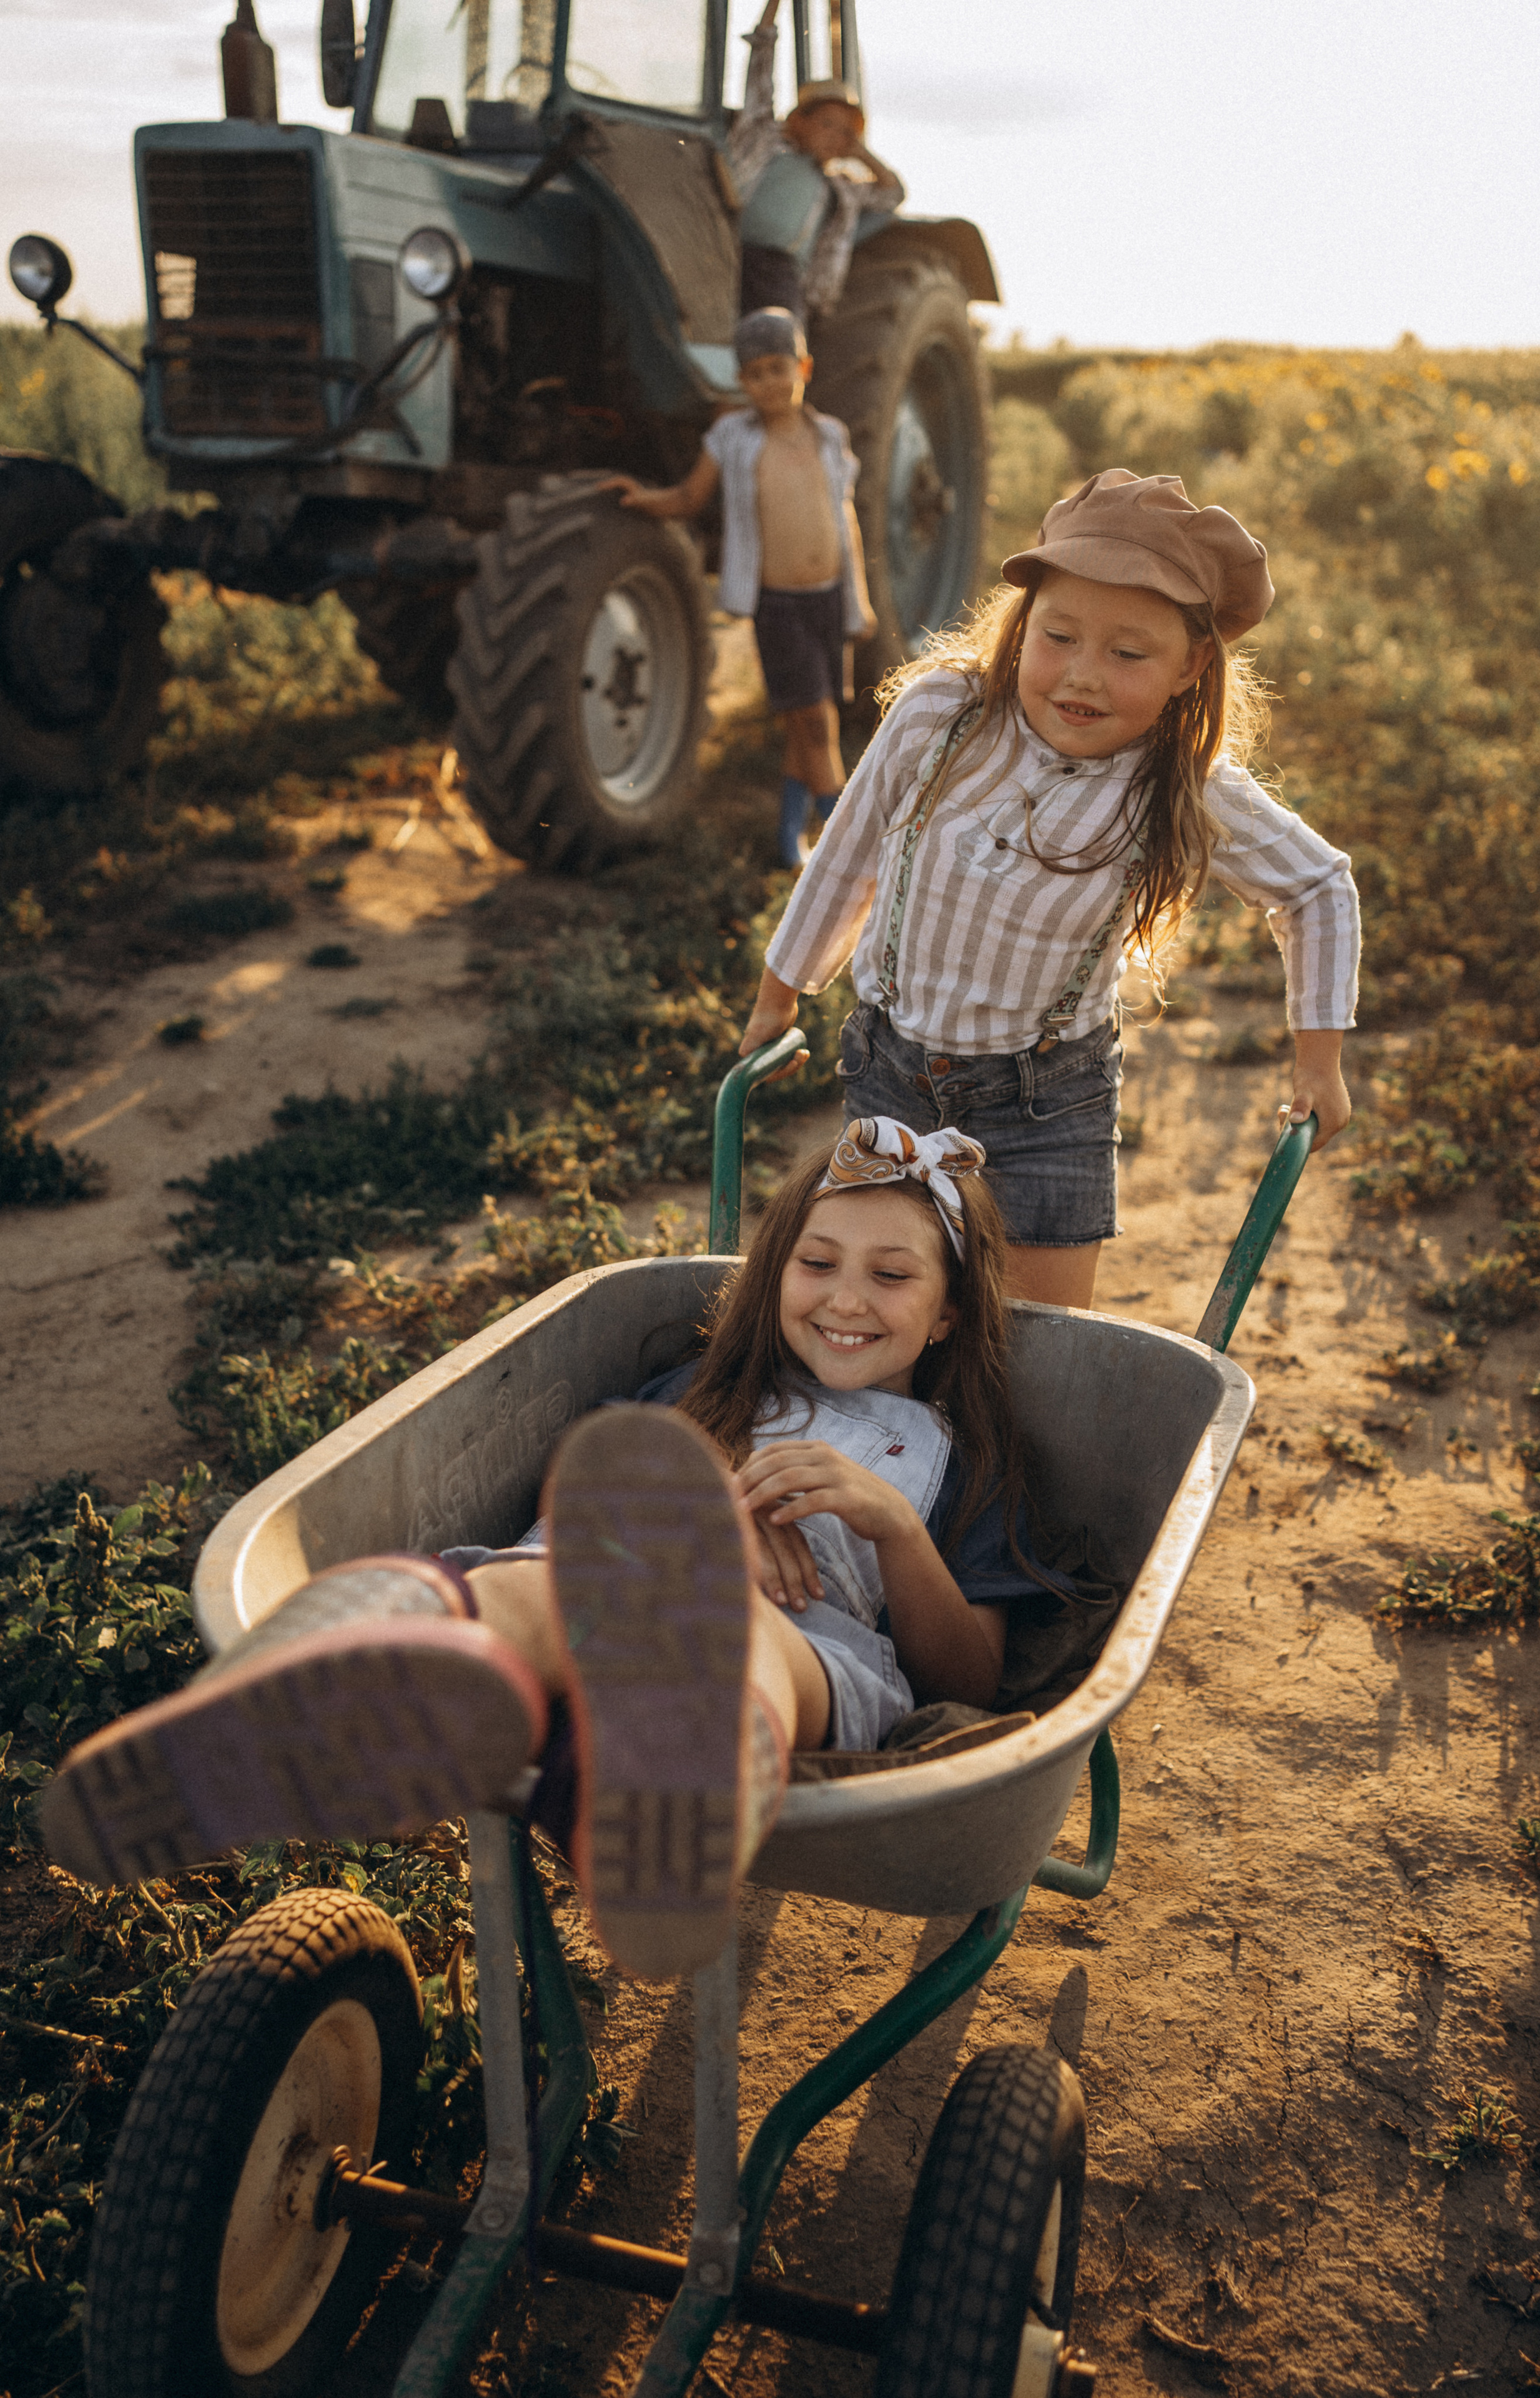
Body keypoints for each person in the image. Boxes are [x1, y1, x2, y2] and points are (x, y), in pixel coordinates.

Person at [41, 1120, 1103, 1983]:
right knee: (534, 1589)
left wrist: (892, 1523)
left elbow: (967, 1676)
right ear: (776, 1271)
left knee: (727, 1638)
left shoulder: (965, 1464)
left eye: (891, 1276)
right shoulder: (698, 1394)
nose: (847, 1298)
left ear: (952, 1313)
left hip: (797, 1641)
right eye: (817, 1262)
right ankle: (357, 1677)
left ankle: (671, 1803)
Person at [737, 467, 1363, 1311]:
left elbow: (1318, 886)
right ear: (1023, 624)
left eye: (1128, 653)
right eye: (1058, 636)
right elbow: (847, 856)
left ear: (1191, 665)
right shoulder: (940, 717)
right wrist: (779, 997)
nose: (1083, 676)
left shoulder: (1175, 780)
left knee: (1031, 1348)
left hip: (1047, 1110)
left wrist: (1318, 1061)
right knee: (881, 1316)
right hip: (893, 1075)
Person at [604, 306, 876, 866]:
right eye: (755, 374)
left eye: (780, 368)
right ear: (741, 383)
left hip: (828, 599)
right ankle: (858, 857)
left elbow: (845, 519)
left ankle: (788, 845)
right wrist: (642, 499)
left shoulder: (829, 436)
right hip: (778, 607)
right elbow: (688, 498)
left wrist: (861, 600)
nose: (770, 383)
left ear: (804, 367)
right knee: (819, 725)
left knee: (806, 731)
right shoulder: (732, 437)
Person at [728, 0, 905, 323]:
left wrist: (860, 153)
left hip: (784, 277)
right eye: (827, 125)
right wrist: (773, 8)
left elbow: (893, 195)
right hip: (732, 256)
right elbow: (760, 66)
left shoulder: (840, 188)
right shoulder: (764, 143)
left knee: (781, 346)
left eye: (845, 134)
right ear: (800, 121)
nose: (834, 137)